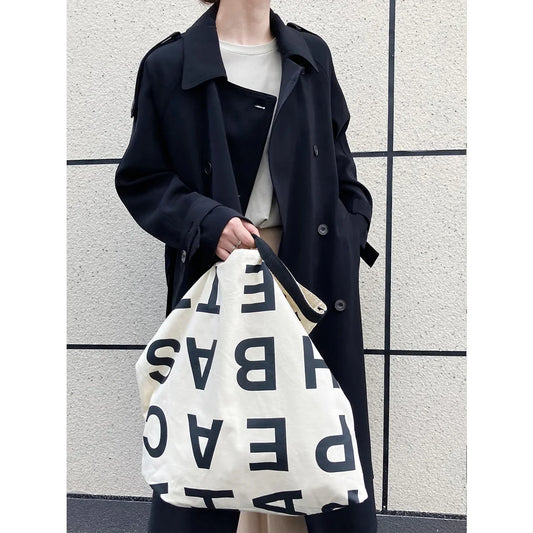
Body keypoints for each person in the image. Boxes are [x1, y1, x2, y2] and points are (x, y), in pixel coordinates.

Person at [115, 0, 378, 531]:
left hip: (309, 274)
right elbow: (142, 178)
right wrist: (207, 222)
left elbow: (339, 164)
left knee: (313, 448)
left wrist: (349, 228)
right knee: (216, 443)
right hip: (221, 271)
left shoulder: (310, 55)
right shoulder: (170, 64)